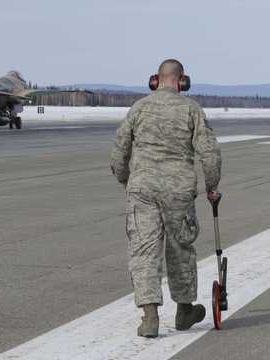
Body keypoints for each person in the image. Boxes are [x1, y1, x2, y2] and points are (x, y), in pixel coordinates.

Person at [110, 59, 222, 338]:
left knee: (144, 251)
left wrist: (128, 182)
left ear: (155, 80)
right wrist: (211, 186)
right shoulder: (191, 109)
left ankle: (150, 318)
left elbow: (118, 153)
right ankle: (184, 311)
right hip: (178, 192)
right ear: (182, 81)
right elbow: (209, 154)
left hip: (142, 190)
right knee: (180, 249)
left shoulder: (139, 108)